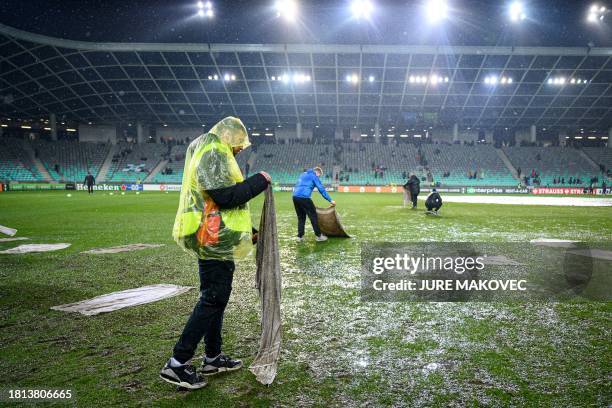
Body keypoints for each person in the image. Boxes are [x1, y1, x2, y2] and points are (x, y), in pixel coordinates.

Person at [160, 117, 271, 390]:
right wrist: (260, 181)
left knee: (215, 298)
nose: (240, 150)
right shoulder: (214, 151)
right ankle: (177, 363)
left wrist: (249, 231)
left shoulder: (210, 149)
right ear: (230, 137)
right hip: (210, 239)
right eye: (239, 145)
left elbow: (217, 205)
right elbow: (224, 196)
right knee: (213, 298)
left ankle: (212, 357)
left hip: (212, 236)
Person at [292, 166, 335, 242]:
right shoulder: (314, 176)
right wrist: (330, 200)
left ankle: (299, 237)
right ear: (317, 172)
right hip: (304, 197)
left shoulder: (303, 174)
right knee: (313, 216)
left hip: (295, 197)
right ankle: (319, 236)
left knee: (301, 217)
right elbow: (321, 189)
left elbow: (299, 185)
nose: (318, 177)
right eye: (319, 175)